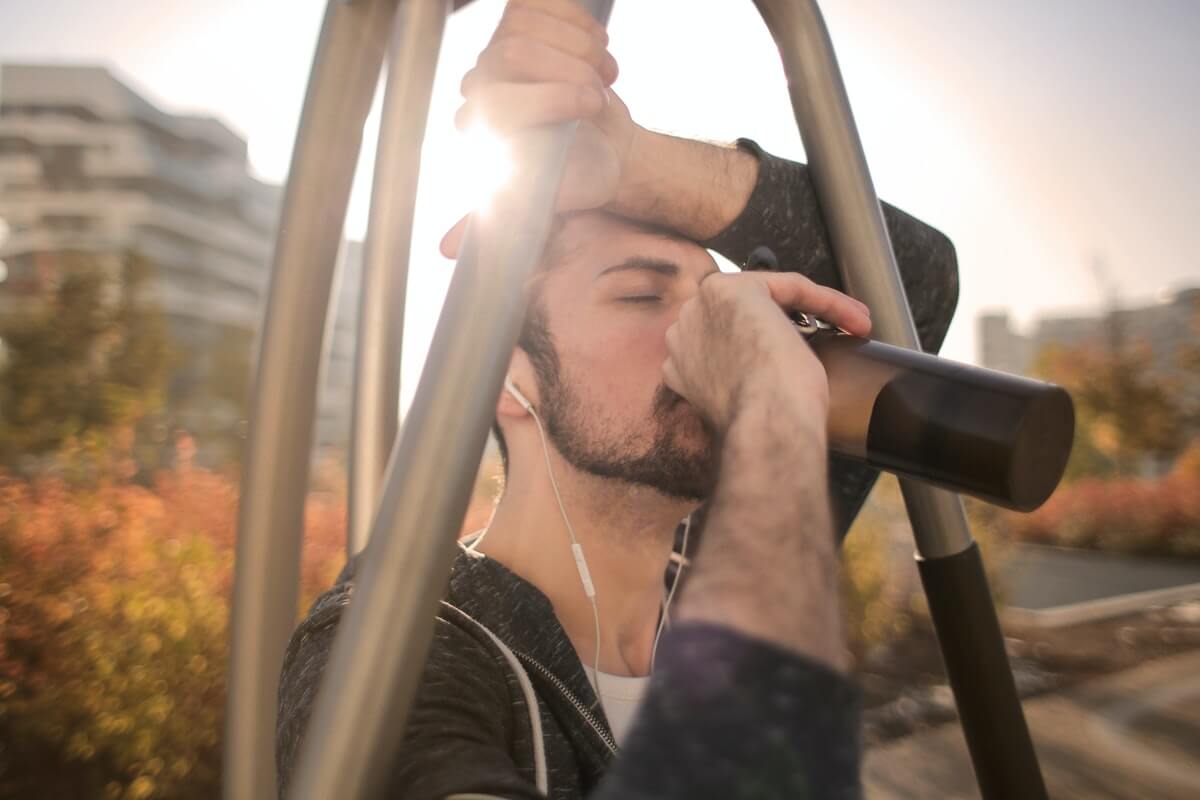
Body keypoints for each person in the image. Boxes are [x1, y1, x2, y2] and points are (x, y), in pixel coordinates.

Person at [276, 1, 958, 797]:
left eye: (716, 298)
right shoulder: (396, 645)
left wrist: (631, 162)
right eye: (642, 296)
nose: (708, 332)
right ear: (502, 375)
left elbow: (909, 282)